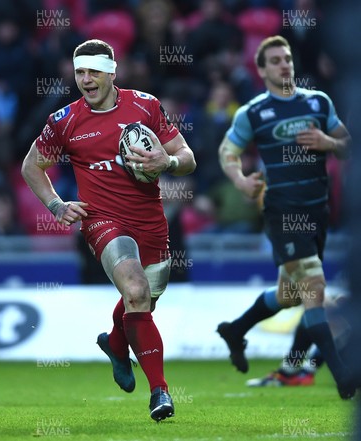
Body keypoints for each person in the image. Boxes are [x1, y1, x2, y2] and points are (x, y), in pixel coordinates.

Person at [21, 39, 196, 421]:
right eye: (80, 72)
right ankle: (160, 393)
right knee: (135, 290)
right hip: (102, 221)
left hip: (150, 220)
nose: (85, 79)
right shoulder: (63, 121)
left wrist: (166, 160)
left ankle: (116, 344)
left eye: (93, 71)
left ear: (111, 72)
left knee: (144, 300)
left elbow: (188, 158)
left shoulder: (145, 106)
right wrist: (56, 204)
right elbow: (32, 166)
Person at [215, 35, 355, 399]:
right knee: (314, 286)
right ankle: (343, 376)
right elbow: (227, 151)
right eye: (275, 60)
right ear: (261, 70)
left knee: (290, 294)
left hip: (318, 209)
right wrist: (241, 180)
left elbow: (349, 145)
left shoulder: (317, 102)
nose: (284, 65)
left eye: (287, 59)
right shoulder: (255, 112)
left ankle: (235, 329)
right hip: (282, 210)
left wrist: (329, 143)